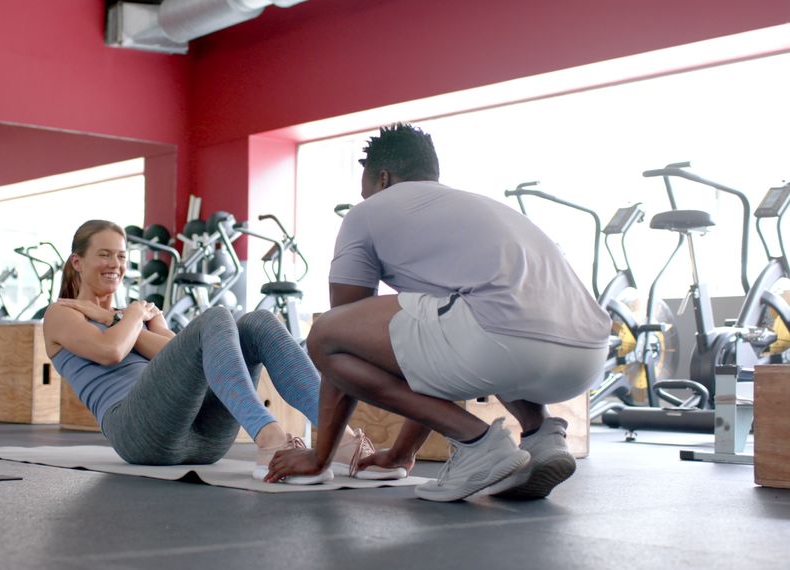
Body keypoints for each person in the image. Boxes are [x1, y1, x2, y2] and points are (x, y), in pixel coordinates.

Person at [266, 124, 610, 501]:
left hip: (502, 339)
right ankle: (542, 435)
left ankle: (478, 443)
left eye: (364, 187)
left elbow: (339, 338)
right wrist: (400, 455)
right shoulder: (479, 208)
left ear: (382, 178)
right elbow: (420, 351)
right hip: (587, 357)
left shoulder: (367, 213)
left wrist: (321, 458)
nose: (363, 196)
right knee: (465, 324)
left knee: (326, 335)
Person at [42, 220, 407, 484]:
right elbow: (109, 351)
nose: (115, 265)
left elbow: (182, 354)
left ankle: (339, 440)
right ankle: (270, 441)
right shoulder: (62, 313)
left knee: (257, 322)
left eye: (121, 256)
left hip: (205, 440)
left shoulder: (126, 317)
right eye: (103, 255)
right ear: (77, 262)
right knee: (216, 316)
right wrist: (135, 314)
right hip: (139, 435)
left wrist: (118, 318)